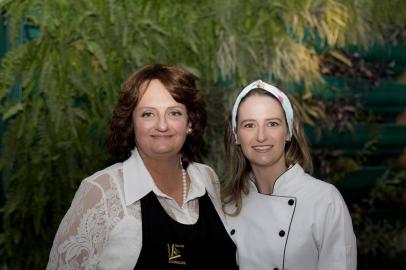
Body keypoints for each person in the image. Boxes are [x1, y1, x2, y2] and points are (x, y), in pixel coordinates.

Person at [46, 64, 238, 269]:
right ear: (131, 122)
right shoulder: (102, 192)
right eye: (148, 114)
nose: (162, 125)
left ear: (189, 123)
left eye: (174, 113)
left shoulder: (207, 179)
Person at [222, 80, 357, 270]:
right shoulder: (227, 203)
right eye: (249, 125)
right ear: (236, 135)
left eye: (272, 123)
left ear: (288, 132)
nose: (261, 136)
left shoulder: (324, 200)